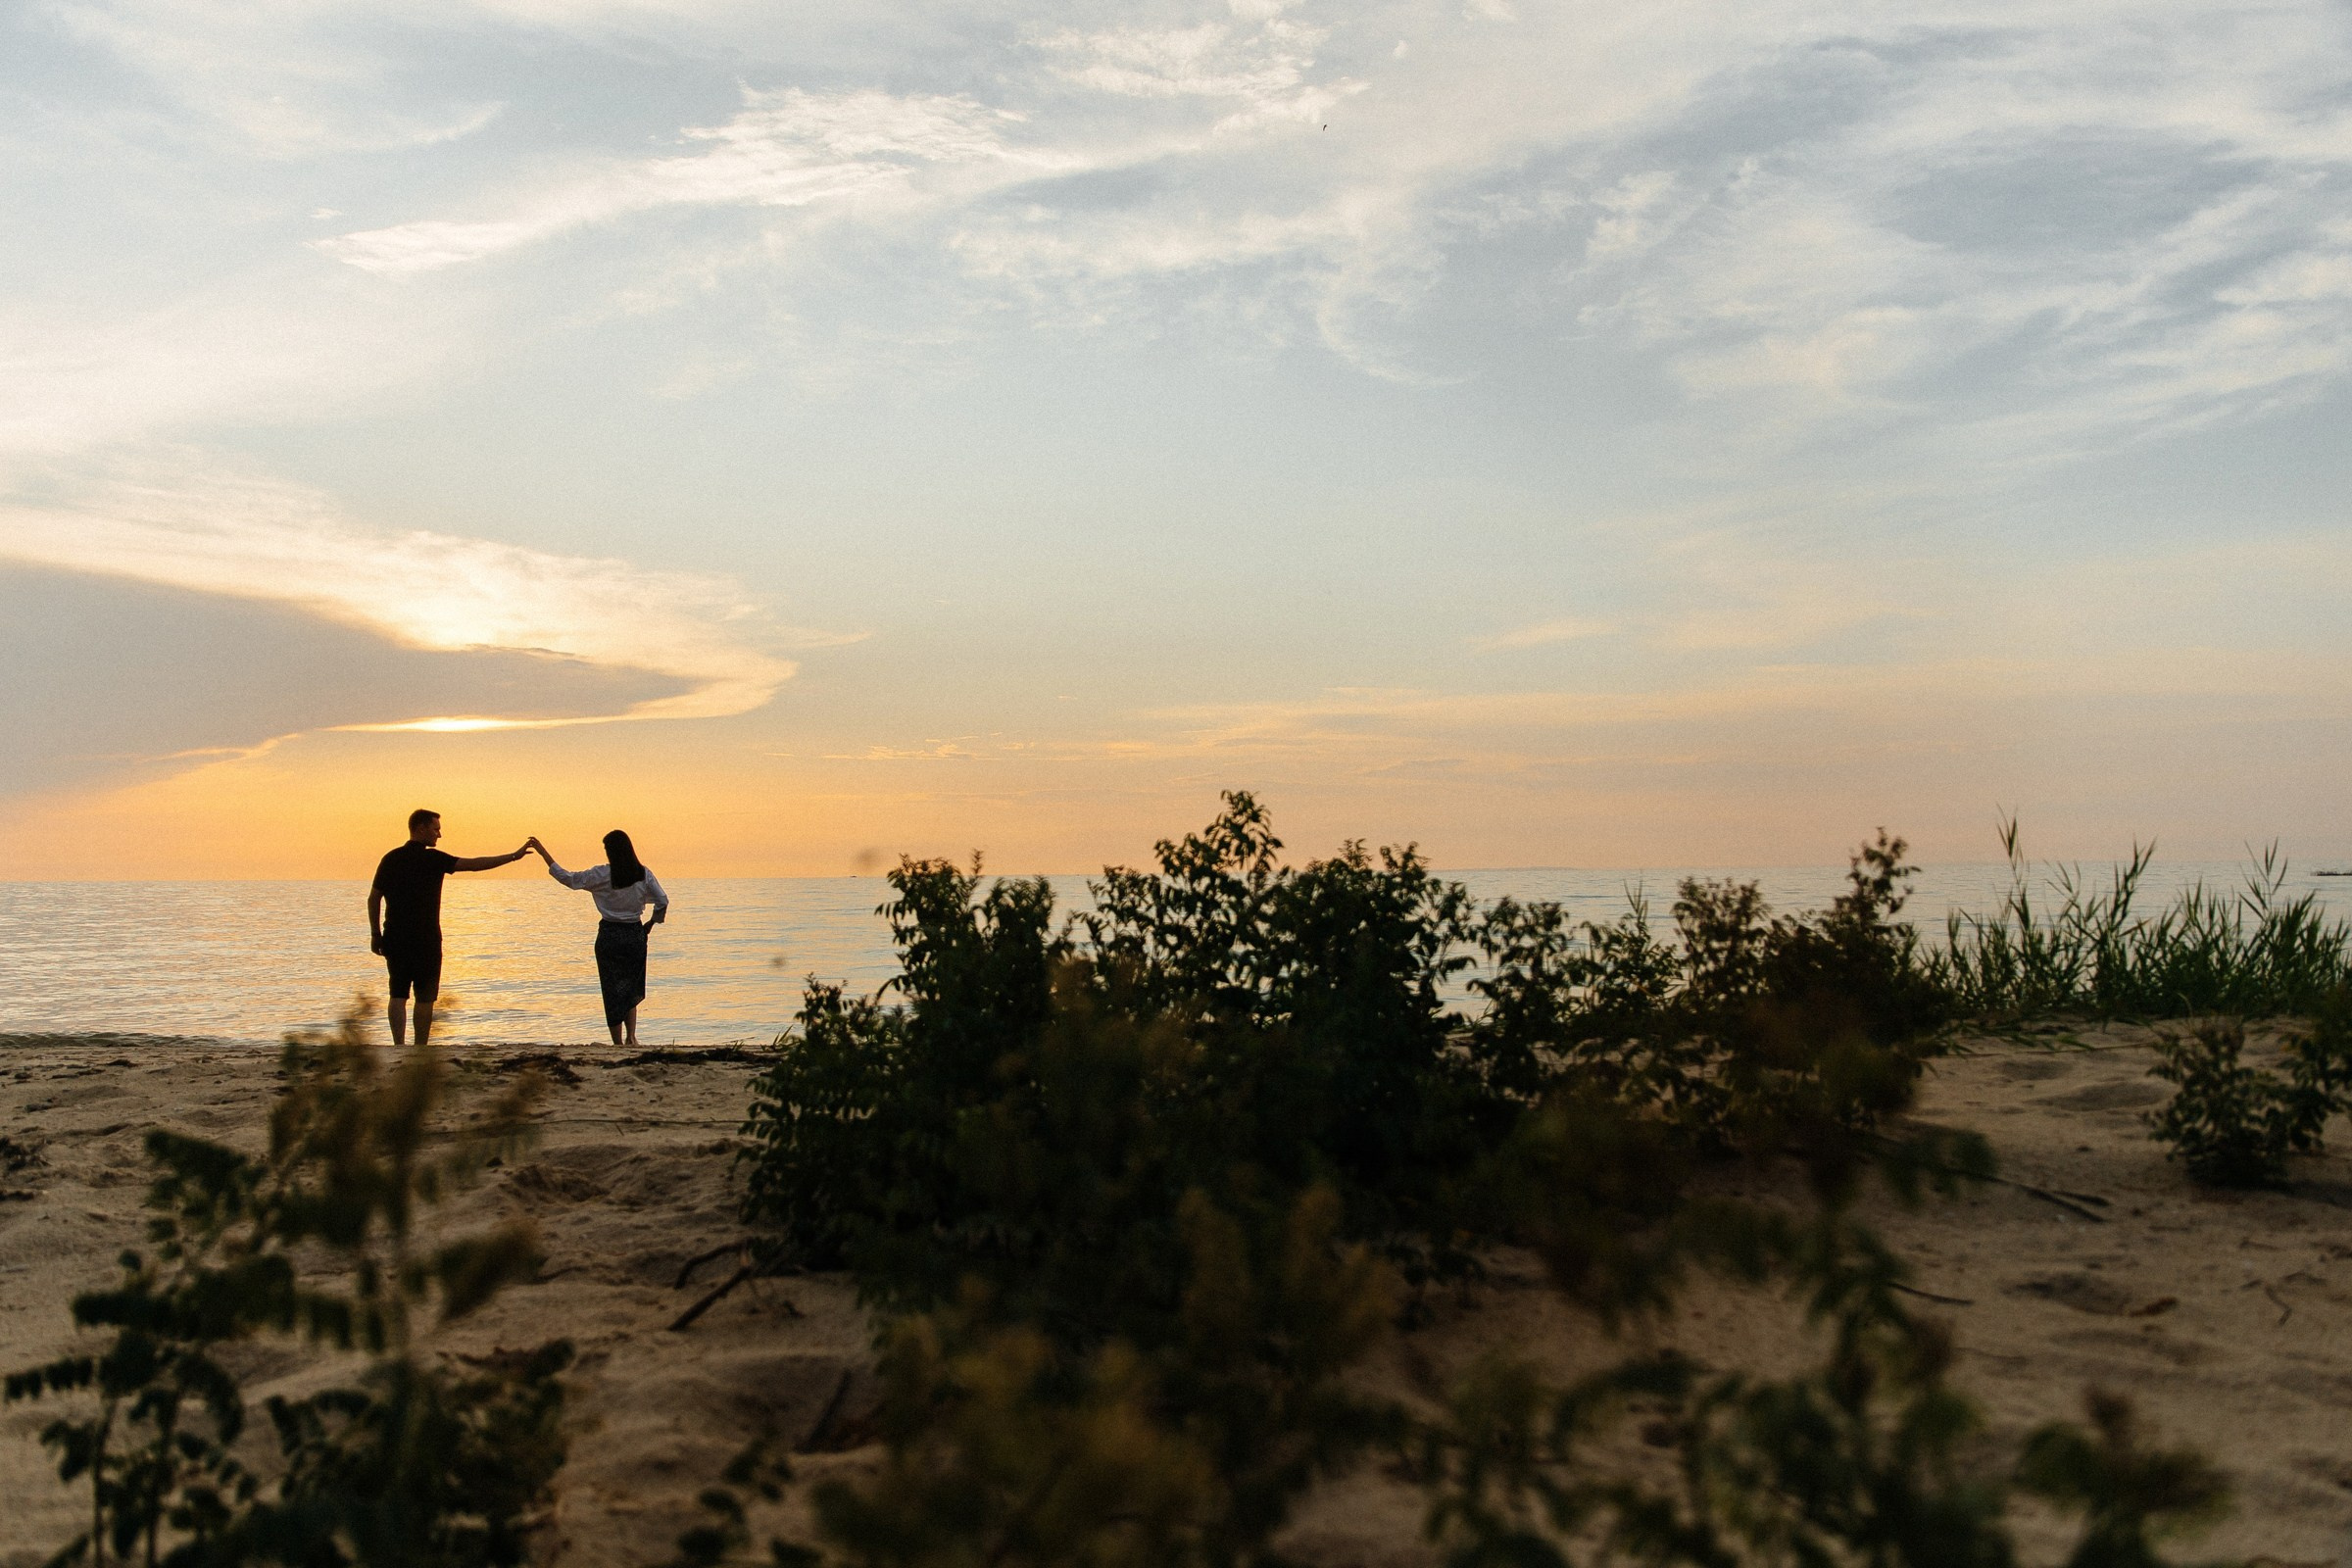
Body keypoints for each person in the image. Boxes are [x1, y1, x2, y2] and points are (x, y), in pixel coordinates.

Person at [368, 808, 528, 1049]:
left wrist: (375, 934)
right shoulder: (433, 859)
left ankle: (398, 1047)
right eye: (436, 829)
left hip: (395, 937)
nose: (439, 835)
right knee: (424, 997)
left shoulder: (391, 858)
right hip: (426, 940)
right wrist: (513, 857)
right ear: (420, 828)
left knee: (398, 994)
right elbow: (474, 865)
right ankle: (419, 1048)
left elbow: (373, 899)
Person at [526, 830, 669, 1048]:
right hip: (634, 934)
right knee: (630, 986)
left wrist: (544, 853)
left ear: (611, 851)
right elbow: (662, 900)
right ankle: (631, 1038)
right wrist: (651, 923)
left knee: (611, 988)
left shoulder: (600, 875)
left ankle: (617, 1042)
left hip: (610, 935)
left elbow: (568, 878)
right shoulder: (643, 874)